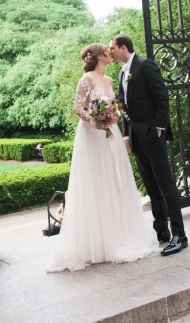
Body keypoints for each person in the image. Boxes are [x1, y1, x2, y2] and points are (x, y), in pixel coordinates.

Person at [45, 43, 158, 272]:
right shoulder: (86, 79)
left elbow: (115, 106)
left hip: (110, 133)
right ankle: (95, 243)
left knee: (114, 180)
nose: (109, 54)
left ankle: (118, 236)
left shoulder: (108, 81)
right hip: (92, 134)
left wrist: (113, 115)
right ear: (97, 57)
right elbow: (78, 108)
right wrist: (95, 121)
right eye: (105, 51)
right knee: (94, 181)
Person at [109, 34, 188, 256]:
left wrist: (159, 129)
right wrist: (126, 135)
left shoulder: (145, 65)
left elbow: (162, 97)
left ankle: (179, 236)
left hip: (152, 134)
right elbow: (123, 106)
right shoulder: (122, 71)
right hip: (135, 136)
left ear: (123, 48)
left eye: (112, 47)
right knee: (151, 186)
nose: (110, 51)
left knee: (165, 184)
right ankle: (161, 231)